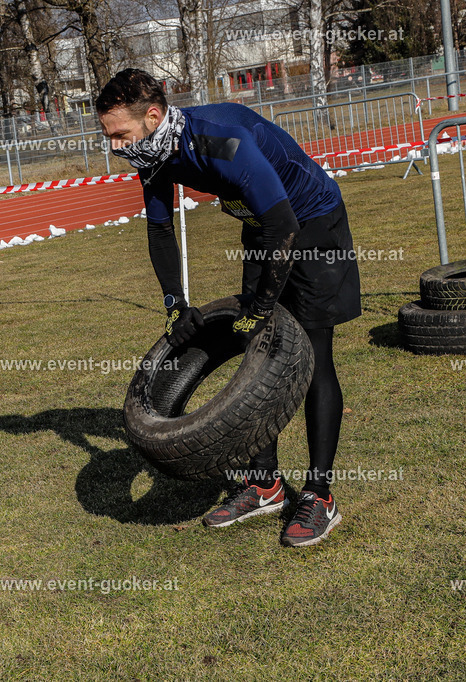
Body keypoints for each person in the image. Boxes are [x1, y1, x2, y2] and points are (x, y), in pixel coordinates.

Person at [96, 69, 361, 547]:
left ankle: (320, 496)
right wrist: (175, 303)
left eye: (119, 134)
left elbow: (286, 226)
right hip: (264, 230)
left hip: (313, 223)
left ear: (152, 117)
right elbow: (159, 230)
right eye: (108, 136)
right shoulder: (153, 153)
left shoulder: (223, 142)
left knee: (313, 356)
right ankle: (266, 485)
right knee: (255, 355)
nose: (114, 146)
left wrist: (262, 305)